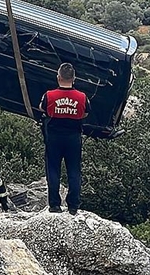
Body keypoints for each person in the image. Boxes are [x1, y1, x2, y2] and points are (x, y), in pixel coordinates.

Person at [40, 63, 90, 215]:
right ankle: (73, 205)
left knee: (53, 169)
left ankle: (54, 204)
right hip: (73, 137)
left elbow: (42, 108)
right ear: (74, 78)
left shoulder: (49, 95)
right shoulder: (82, 97)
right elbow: (86, 113)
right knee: (74, 170)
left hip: (54, 137)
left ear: (58, 77)